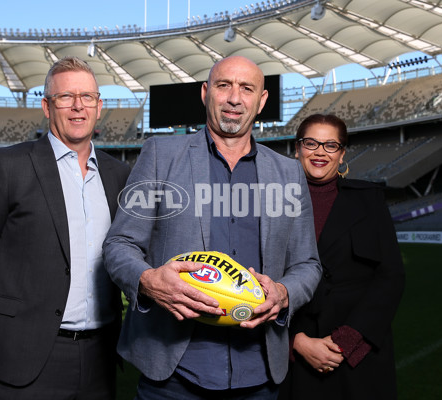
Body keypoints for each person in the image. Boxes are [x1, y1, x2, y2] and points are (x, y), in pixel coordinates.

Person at [103, 55, 322, 399]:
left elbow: (308, 264)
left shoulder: (288, 173)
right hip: (173, 375)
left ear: (261, 101)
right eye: (224, 85)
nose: (235, 98)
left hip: (259, 376)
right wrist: (148, 282)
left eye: (247, 88)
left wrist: (284, 293)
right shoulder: (160, 154)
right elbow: (119, 244)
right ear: (206, 93)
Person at [0, 56, 131, 400]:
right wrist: (12, 314)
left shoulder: (118, 175)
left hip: (101, 356)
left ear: (99, 107)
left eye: (87, 98)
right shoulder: (7, 166)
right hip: (28, 354)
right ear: (47, 107)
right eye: (65, 97)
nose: (78, 107)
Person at [279, 114, 405, 400]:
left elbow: (391, 276)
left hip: (357, 356)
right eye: (311, 143)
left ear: (342, 153)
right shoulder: (273, 204)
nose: (320, 151)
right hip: (295, 357)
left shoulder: (369, 200)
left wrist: (345, 342)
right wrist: (295, 343)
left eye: (331, 145)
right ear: (297, 148)